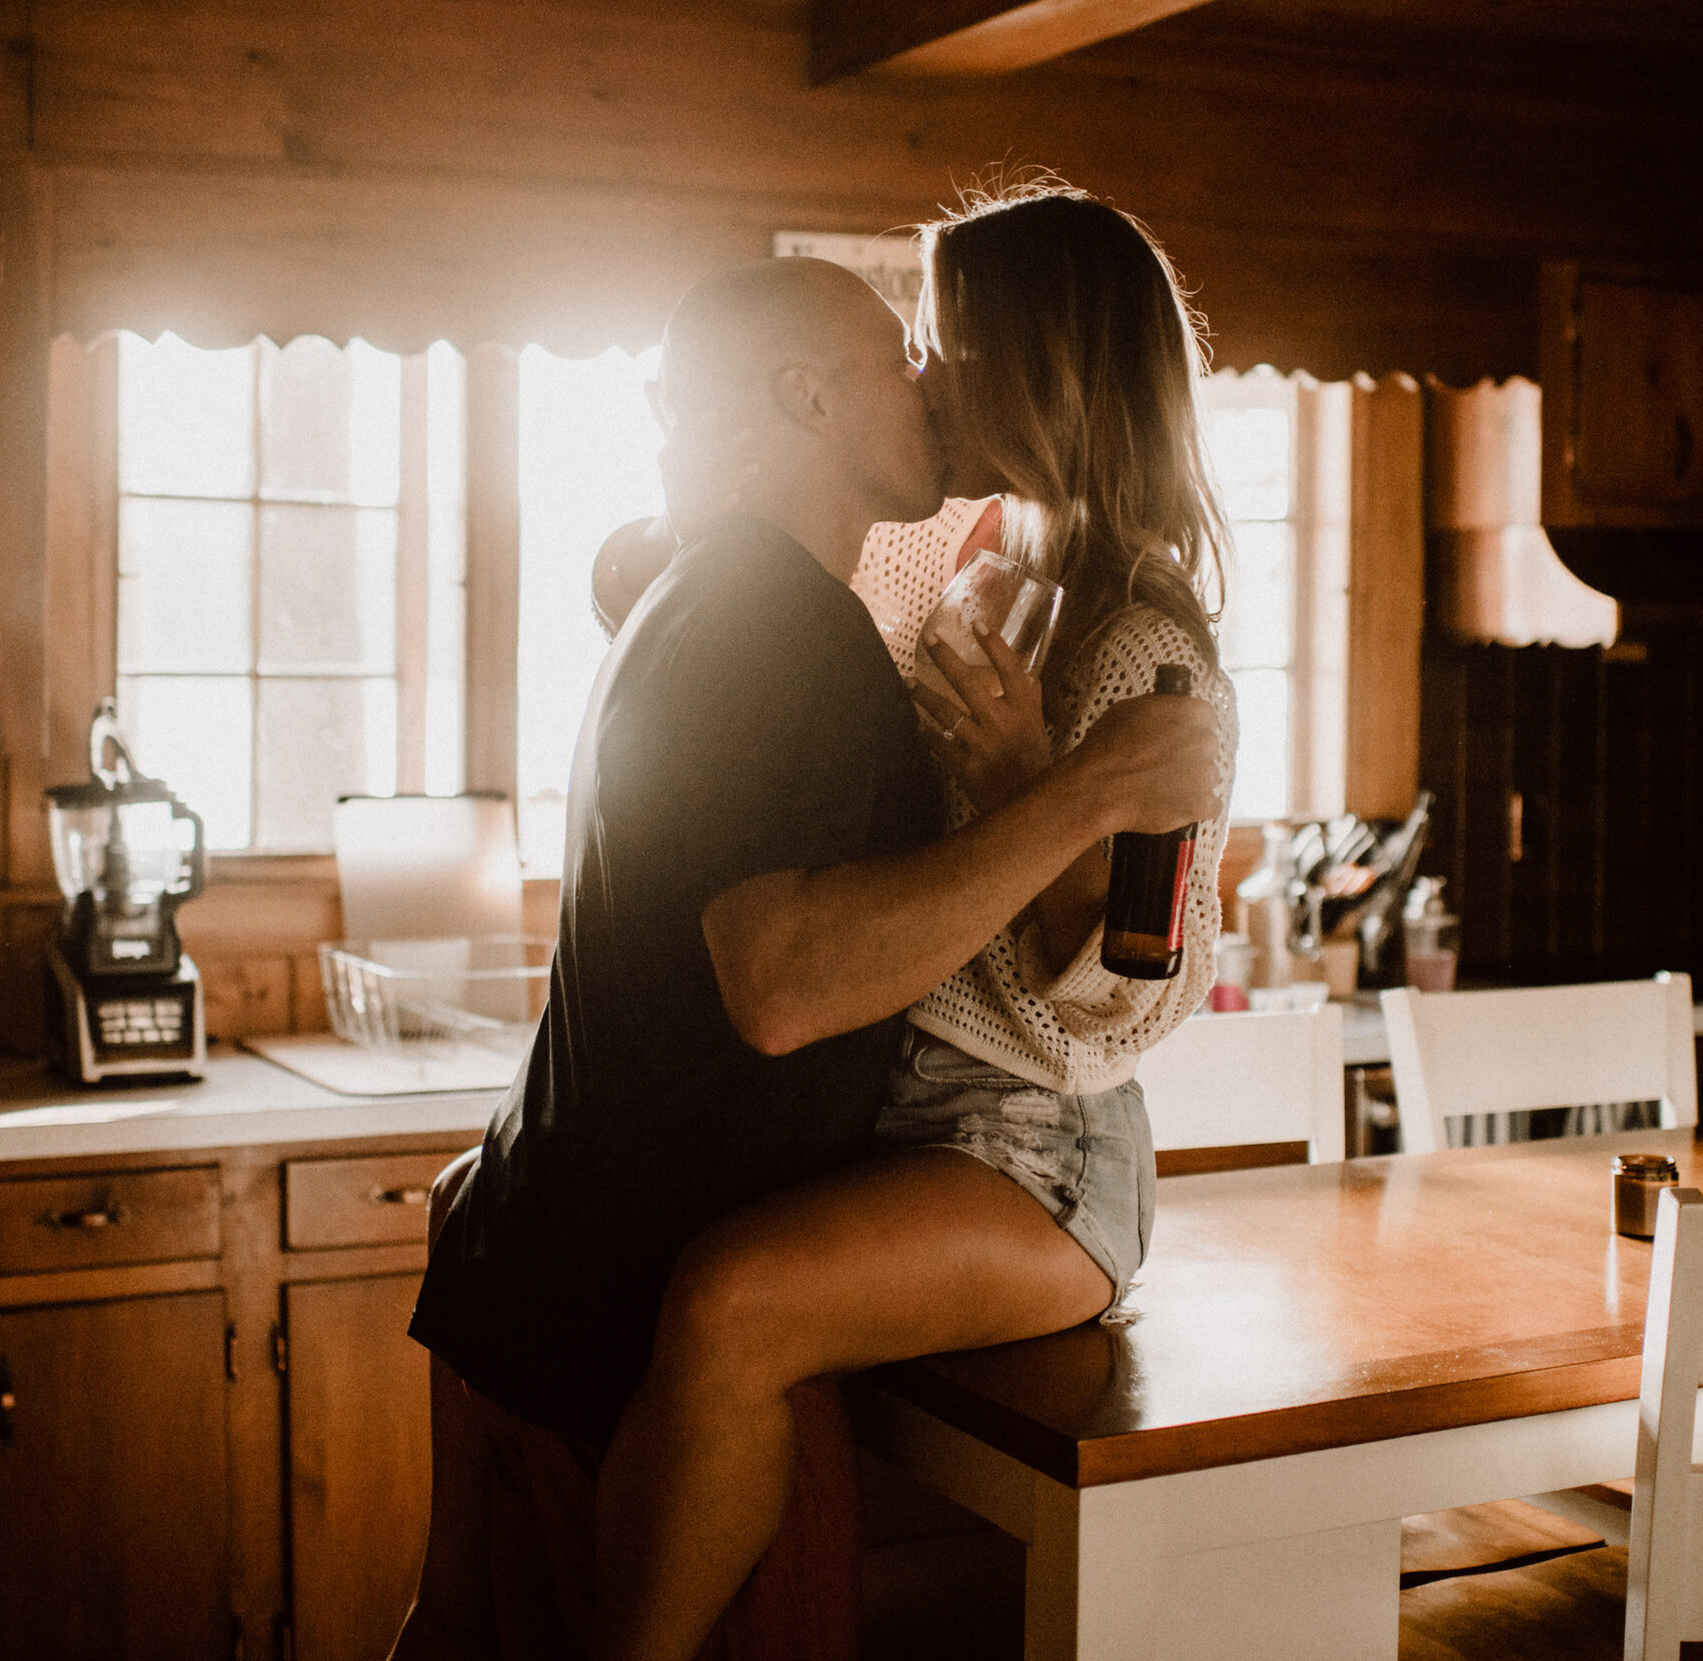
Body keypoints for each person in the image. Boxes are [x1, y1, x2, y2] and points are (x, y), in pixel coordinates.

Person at [397, 251, 1225, 1655]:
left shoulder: (1130, 642)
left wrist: (1068, 781)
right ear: (804, 395)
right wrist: (1068, 789)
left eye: (946, 347)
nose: (928, 378)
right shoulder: (855, 592)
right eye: (907, 353)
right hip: (887, 1146)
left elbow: (1123, 997)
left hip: (1033, 1149)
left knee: (727, 1310)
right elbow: (784, 959)